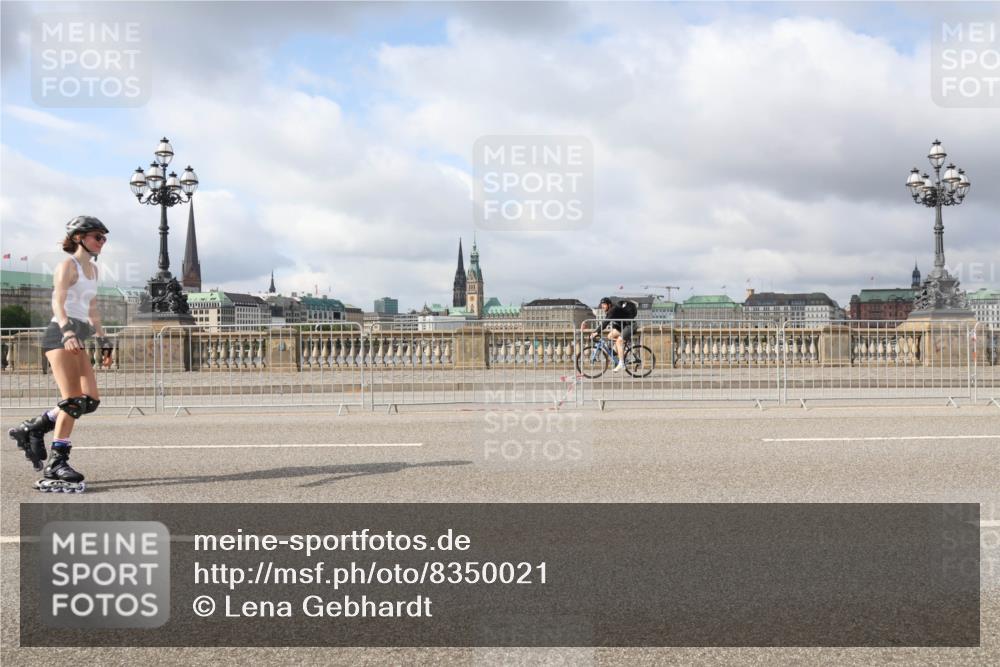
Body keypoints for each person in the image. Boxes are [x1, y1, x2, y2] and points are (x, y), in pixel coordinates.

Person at [7, 216, 111, 493]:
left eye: (104, 237)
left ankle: (34, 428)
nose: (102, 241)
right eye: (97, 237)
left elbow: (92, 308)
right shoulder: (68, 265)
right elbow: (58, 299)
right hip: (61, 334)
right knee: (73, 401)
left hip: (81, 333)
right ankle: (57, 462)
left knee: (90, 400)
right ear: (79, 238)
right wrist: (66, 330)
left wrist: (103, 339)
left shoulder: (94, 271)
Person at [589, 296, 636, 371]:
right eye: (602, 305)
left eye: (604, 304)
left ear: (609, 305)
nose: (602, 306)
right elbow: (613, 322)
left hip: (630, 325)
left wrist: (596, 332)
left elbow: (605, 323)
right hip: (622, 327)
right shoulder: (610, 311)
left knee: (618, 342)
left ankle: (621, 363)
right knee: (610, 336)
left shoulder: (613, 310)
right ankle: (618, 351)